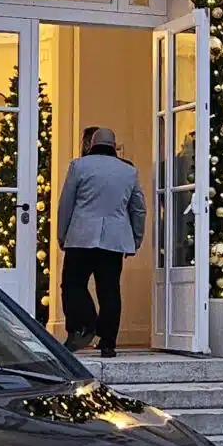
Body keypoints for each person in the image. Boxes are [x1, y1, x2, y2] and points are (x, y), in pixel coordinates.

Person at [55, 126, 144, 355]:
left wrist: (62, 234)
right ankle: (108, 342)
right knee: (109, 290)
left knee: (73, 285)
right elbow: (138, 209)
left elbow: (66, 204)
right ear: (114, 147)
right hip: (114, 239)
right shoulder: (128, 171)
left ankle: (82, 326)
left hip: (81, 236)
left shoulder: (79, 166)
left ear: (91, 144)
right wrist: (135, 239)